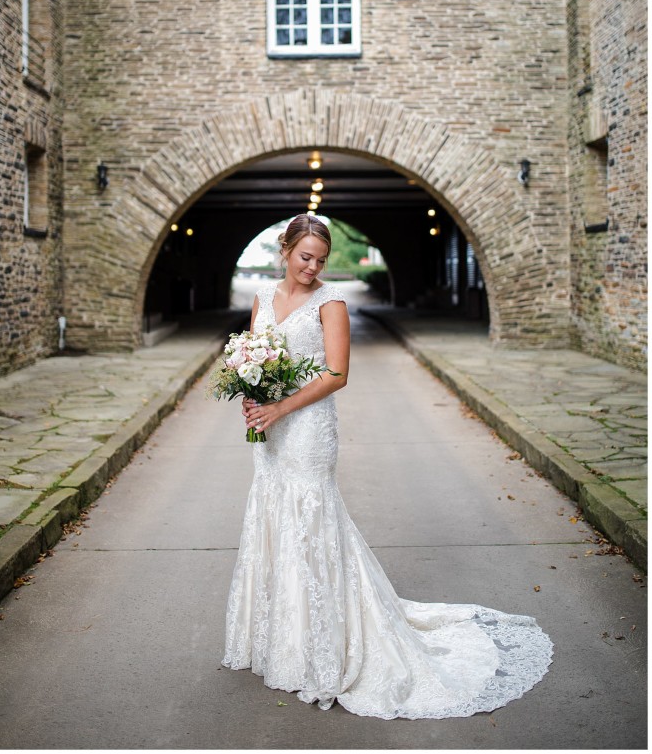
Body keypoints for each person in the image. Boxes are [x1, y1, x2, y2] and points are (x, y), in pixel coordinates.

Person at [222, 213, 552, 719]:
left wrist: (281, 408)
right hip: (269, 432)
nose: (312, 267)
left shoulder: (331, 304)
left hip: (308, 430)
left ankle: (324, 644)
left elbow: (337, 374)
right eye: (305, 257)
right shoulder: (262, 300)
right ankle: (278, 637)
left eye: (321, 260)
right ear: (285, 250)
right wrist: (252, 399)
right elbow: (252, 357)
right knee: (274, 514)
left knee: (312, 520)